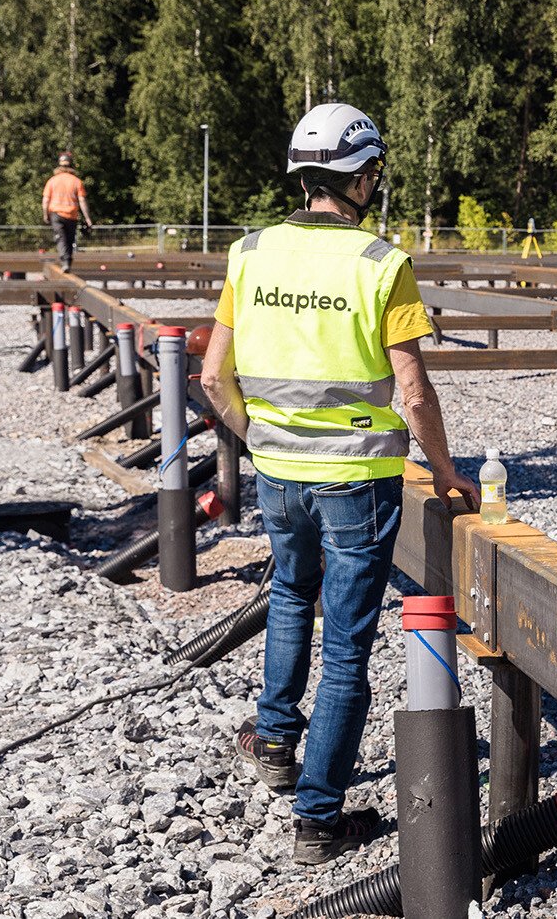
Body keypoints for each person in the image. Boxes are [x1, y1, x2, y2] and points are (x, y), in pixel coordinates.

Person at [198, 102, 481, 866]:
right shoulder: (379, 263)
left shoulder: (251, 252)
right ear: (358, 176)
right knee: (348, 646)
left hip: (279, 474)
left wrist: (258, 437)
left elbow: (210, 375)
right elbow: (414, 391)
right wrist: (448, 471)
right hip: (357, 480)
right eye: (374, 174)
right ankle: (318, 817)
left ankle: (274, 743)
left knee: (292, 593)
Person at [40, 152, 92, 268]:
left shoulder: (52, 181)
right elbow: (82, 201)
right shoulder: (76, 181)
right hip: (71, 215)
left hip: (56, 214)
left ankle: (65, 261)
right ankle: (67, 261)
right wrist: (87, 218)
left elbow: (45, 200)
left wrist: (45, 214)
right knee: (69, 239)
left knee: (60, 238)